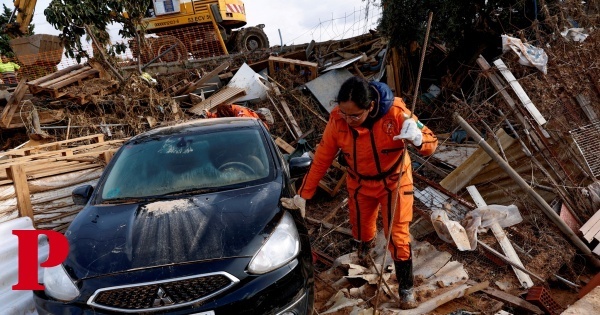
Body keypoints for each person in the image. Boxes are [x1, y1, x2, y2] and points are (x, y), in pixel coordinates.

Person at [284, 76, 438, 309]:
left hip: (394, 181)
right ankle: (365, 250)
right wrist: (303, 195)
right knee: (361, 228)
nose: (348, 120)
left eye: (354, 115)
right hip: (359, 182)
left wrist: (417, 137)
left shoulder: (396, 113)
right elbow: (322, 158)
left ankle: (406, 289)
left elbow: (431, 142)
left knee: (397, 237)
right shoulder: (338, 121)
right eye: (344, 113)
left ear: (371, 107)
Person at [204, 103, 273, 130]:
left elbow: (241, 124)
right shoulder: (230, 111)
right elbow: (219, 117)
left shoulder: (241, 112)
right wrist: (208, 114)